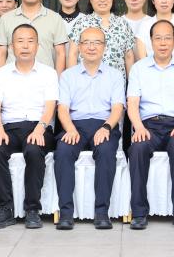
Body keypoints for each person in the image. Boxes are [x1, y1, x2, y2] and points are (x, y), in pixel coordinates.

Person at [126, 19, 174, 230]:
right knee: (137, 148)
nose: (163, 43)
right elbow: (132, 104)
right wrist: (139, 127)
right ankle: (139, 213)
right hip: (148, 125)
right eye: (158, 38)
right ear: (151, 41)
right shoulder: (139, 69)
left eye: (167, 38)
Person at [0, 24, 59, 229]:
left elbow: (50, 107)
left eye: (30, 41)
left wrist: (39, 129)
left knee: (34, 150)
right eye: (20, 41)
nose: (25, 46)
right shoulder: (1, 74)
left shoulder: (49, 73)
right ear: (11, 46)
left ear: (37, 45)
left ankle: (32, 209)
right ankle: (5, 210)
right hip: (9, 127)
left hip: (39, 126)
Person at [53, 26, 125, 230]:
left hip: (104, 124)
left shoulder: (115, 75)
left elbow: (117, 108)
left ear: (104, 47)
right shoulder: (68, 75)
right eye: (86, 43)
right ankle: (66, 213)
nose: (91, 47)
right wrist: (69, 129)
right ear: (79, 46)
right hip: (75, 125)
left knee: (106, 151)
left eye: (97, 43)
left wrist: (107, 127)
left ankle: (102, 213)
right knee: (63, 151)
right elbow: (62, 109)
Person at [0, 0, 68, 73]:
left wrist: (58, 79)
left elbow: (60, 53)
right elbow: (1, 53)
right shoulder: (5, 19)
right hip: (12, 78)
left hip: (44, 79)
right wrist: (0, 79)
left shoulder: (55, 18)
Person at [68, 0, 137, 77]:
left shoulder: (123, 24)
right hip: (85, 82)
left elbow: (129, 56)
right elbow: (73, 54)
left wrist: (131, 83)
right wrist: (72, 80)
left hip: (116, 83)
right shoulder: (81, 23)